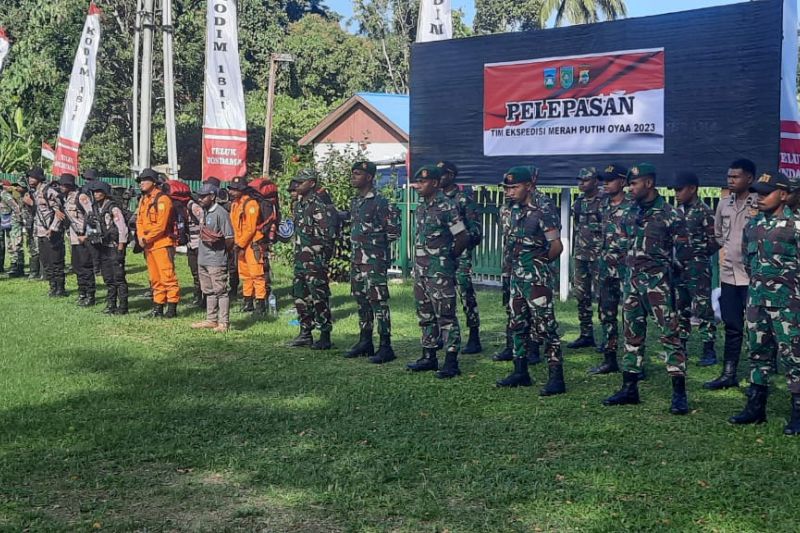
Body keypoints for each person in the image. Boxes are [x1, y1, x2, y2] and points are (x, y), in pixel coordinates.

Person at [603, 163, 690, 415]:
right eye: (629, 183)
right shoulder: (629, 212)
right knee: (631, 335)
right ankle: (629, 389)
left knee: (670, 336)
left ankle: (679, 394)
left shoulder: (671, 215)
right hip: (631, 284)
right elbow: (620, 245)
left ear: (649, 183)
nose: (630, 188)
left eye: (634, 183)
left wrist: (667, 276)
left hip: (658, 285)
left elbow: (683, 254)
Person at [729, 171, 800, 435]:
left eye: (766, 193)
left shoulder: (795, 226)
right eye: (757, 193)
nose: (759, 198)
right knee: (758, 354)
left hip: (789, 306)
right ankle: (756, 407)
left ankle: (797, 412)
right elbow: (750, 264)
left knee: (794, 357)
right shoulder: (753, 225)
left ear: (783, 195)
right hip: (757, 301)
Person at [495, 167, 566, 395]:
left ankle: (556, 377)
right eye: (507, 187)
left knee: (545, 328)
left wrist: (538, 266)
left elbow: (556, 246)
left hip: (536, 278)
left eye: (515, 187)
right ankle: (520, 371)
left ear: (529, 186)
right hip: (516, 277)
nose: (510, 191)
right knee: (517, 324)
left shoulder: (543, 209)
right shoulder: (508, 210)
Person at [406, 165, 469, 379]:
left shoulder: (447, 207)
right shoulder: (422, 208)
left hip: (439, 271)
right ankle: (429, 355)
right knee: (425, 314)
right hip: (422, 271)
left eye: (422, 182)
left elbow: (462, 237)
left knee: (446, 316)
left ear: (434, 182)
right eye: (417, 182)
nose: (417, 186)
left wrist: (448, 259)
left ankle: (451, 361)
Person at [704, 159, 759, 390]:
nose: (731, 180)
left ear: (749, 179)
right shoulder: (723, 204)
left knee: (759, 329)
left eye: (736, 177)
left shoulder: (759, 203)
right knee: (732, 325)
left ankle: (761, 375)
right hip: (729, 276)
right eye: (729, 176)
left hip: (753, 277)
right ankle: (729, 373)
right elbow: (718, 235)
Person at [345, 161, 400, 364]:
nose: (353, 177)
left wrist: (375, 247)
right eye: (353, 173)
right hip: (357, 260)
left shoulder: (381, 202)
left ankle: (385, 346)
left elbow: (393, 231)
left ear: (369, 177)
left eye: (357, 174)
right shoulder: (356, 202)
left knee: (378, 302)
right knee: (362, 301)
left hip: (374, 261)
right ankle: (365, 341)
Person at [671, 171, 720, 366]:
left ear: (693, 189)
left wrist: (698, 254)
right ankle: (681, 347)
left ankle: (709, 350)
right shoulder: (677, 212)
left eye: (679, 189)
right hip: (678, 267)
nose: (676, 193)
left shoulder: (704, 212)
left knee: (703, 308)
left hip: (697, 268)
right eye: (674, 190)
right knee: (680, 307)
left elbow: (715, 240)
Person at [287, 169, 339, 350]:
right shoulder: (299, 205)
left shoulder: (319, 206)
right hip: (301, 259)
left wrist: (321, 259)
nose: (296, 186)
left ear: (311, 183)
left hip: (315, 261)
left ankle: (325, 335)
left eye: (300, 182)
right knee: (300, 296)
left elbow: (328, 236)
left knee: (319, 297)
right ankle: (305, 332)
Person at [437, 161, 484, 354]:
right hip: (441, 254)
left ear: (451, 175)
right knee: (440, 294)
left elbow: (476, 230)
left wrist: (460, 242)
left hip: (461, 253)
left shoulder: (463, 199)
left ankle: (474, 336)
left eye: (442, 174)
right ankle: (443, 334)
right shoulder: (436, 199)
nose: (438, 178)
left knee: (465, 293)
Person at [591, 164, 632, 375]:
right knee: (606, 314)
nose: (605, 183)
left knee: (631, 318)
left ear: (623, 182)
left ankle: (634, 362)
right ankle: (609, 359)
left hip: (627, 271)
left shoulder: (633, 206)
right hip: (607, 269)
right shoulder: (603, 205)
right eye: (603, 179)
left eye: (610, 179)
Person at [136, 168, 180, 318]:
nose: (141, 183)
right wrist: (141, 237)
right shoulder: (143, 199)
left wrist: (146, 239)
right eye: (140, 181)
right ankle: (158, 307)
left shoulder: (163, 200)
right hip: (148, 245)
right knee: (154, 278)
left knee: (167, 277)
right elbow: (139, 221)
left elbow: (161, 226)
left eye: (144, 180)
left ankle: (172, 308)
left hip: (162, 243)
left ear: (154, 182)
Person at [190, 183, 234, 333]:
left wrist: (221, 252)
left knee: (221, 290)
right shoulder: (204, 211)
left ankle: (223, 322)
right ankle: (211, 319)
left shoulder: (221, 213)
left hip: (216, 259)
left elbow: (229, 238)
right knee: (208, 290)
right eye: (200, 196)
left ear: (213, 197)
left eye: (204, 196)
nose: (200, 199)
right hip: (203, 258)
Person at [567, 167, 603, 349]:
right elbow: (577, 226)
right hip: (581, 255)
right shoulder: (579, 202)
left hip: (599, 257)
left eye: (585, 180)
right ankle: (586, 334)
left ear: (596, 181)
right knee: (581, 295)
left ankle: (607, 337)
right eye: (579, 180)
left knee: (603, 297)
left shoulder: (605, 201)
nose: (581, 183)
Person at [86, 180, 129, 315]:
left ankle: (123, 306)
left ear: (105, 193)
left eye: (99, 192)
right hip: (103, 246)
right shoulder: (95, 208)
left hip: (115, 246)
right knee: (108, 277)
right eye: (94, 192)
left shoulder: (113, 208)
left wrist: (121, 245)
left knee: (119, 277)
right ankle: (111, 305)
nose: (96, 194)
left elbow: (122, 228)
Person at [229, 176, 268, 316]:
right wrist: (237, 244)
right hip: (240, 245)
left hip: (252, 244)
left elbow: (251, 229)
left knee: (257, 274)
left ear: (242, 190)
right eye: (231, 189)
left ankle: (261, 304)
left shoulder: (251, 204)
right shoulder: (235, 204)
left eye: (235, 189)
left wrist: (240, 244)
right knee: (245, 274)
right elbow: (236, 227)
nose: (232, 192)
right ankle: (248, 302)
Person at [28, 167, 67, 296]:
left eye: (32, 177)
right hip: (40, 231)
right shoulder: (34, 192)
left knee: (56, 261)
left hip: (52, 231)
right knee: (46, 261)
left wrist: (53, 228)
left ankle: (60, 288)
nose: (30, 179)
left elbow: (59, 212)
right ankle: (52, 287)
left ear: (39, 178)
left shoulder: (48, 191)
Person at [59, 173, 96, 306]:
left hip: (83, 237)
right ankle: (82, 293)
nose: (61, 187)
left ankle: (90, 295)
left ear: (69, 185)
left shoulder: (81, 197)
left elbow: (91, 215)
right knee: (77, 267)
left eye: (63, 185)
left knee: (86, 266)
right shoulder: (66, 198)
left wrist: (86, 234)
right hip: (74, 238)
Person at [0, 179, 24, 278]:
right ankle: (14, 265)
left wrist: (20, 220)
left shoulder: (5, 195)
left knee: (16, 244)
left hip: (14, 222)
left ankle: (19, 266)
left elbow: (16, 207)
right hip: (7, 222)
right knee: (10, 244)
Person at [186, 195, 206, 308]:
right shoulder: (179, 207)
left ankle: (203, 298)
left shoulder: (192, 206)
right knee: (194, 272)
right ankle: (198, 296)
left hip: (199, 243)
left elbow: (204, 221)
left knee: (201, 272)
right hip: (190, 244)